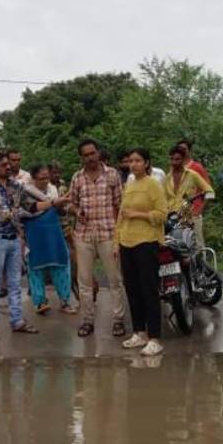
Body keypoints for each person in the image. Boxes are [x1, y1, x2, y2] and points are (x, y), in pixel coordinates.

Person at [0, 152, 69, 341]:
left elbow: (31, 207)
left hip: (15, 239)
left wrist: (54, 202)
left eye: (8, 164)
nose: (8, 167)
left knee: (15, 283)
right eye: (3, 165)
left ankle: (17, 321)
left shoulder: (17, 186)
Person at [69, 138, 128, 338]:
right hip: (84, 235)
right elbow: (72, 203)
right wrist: (77, 212)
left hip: (108, 233)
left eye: (92, 153)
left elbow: (120, 205)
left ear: (98, 153)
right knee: (84, 281)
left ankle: (118, 320)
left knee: (114, 279)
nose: (90, 158)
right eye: (86, 155)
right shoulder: (77, 178)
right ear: (81, 157)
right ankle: (87, 321)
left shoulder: (112, 175)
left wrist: (120, 233)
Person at [116, 148, 168, 356]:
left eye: (138, 160)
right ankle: (139, 332)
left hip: (147, 241)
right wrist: (116, 241)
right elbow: (121, 214)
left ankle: (155, 337)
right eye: (131, 161)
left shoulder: (153, 185)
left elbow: (162, 214)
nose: (133, 164)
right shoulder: (129, 184)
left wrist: (138, 214)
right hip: (126, 243)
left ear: (147, 163)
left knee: (149, 290)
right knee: (132, 289)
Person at [23, 163, 77, 315]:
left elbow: (60, 211)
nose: (46, 181)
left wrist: (64, 206)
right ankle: (39, 302)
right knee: (35, 268)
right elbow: (28, 210)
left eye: (47, 177)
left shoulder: (53, 190)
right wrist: (54, 203)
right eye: (42, 178)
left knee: (61, 265)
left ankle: (65, 301)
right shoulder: (25, 192)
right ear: (33, 178)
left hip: (54, 234)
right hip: (35, 234)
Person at [165, 144, 214, 241]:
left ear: (183, 160)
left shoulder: (192, 175)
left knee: (196, 246)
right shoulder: (167, 177)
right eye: (172, 159)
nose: (174, 162)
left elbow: (210, 192)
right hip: (172, 219)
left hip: (190, 217)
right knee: (174, 248)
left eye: (177, 159)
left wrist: (199, 210)